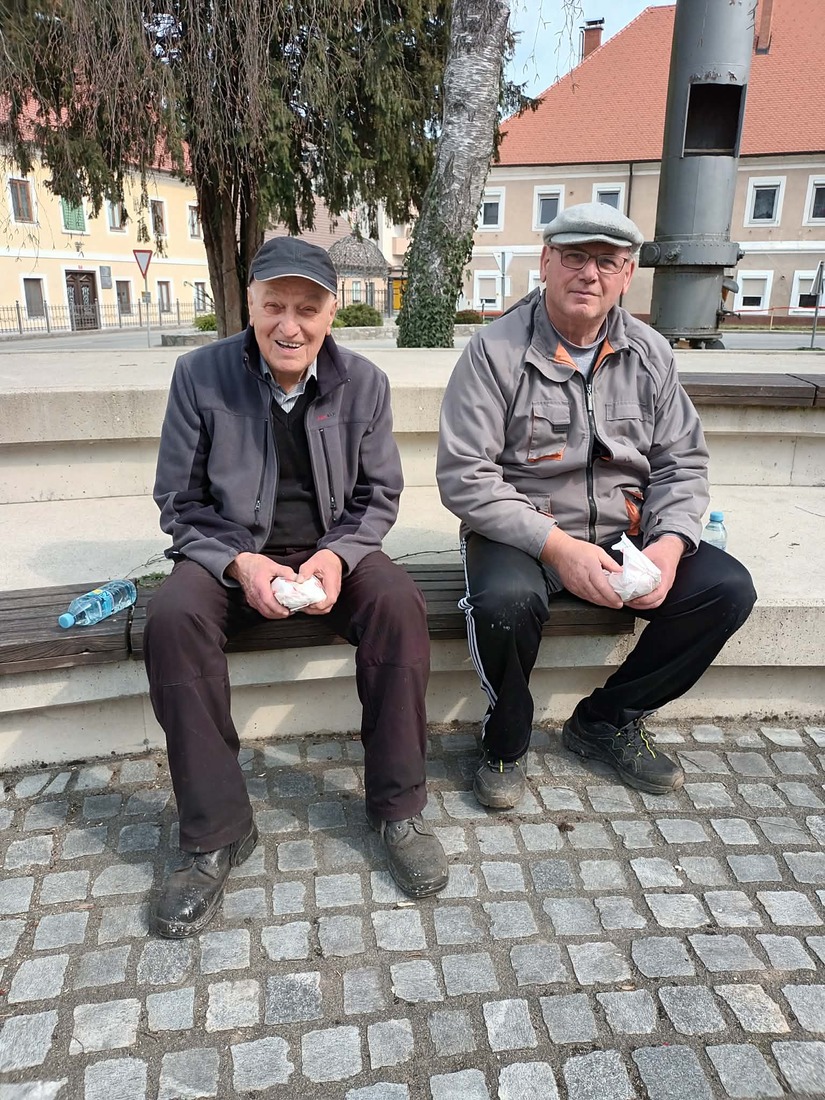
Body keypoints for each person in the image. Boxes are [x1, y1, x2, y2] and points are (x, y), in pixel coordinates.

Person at [144, 236, 447, 937]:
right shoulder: (199, 375)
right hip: (231, 556)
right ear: (249, 306)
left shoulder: (364, 382)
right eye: (273, 306)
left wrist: (337, 556)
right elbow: (179, 501)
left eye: (307, 309)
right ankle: (216, 832)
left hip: (331, 552)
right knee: (171, 619)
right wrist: (240, 564)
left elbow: (378, 495)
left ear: (331, 314)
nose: (290, 325)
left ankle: (398, 810)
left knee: (399, 605)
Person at [437, 202, 756, 810]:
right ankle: (505, 737)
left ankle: (606, 719)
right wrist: (558, 548)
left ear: (627, 274)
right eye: (575, 256)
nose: (589, 273)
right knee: (504, 603)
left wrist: (668, 545)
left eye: (607, 261)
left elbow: (682, 463)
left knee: (728, 590)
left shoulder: (650, 352)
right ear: (546, 262)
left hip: (623, 530)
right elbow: (466, 476)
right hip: (523, 532)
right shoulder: (494, 350)